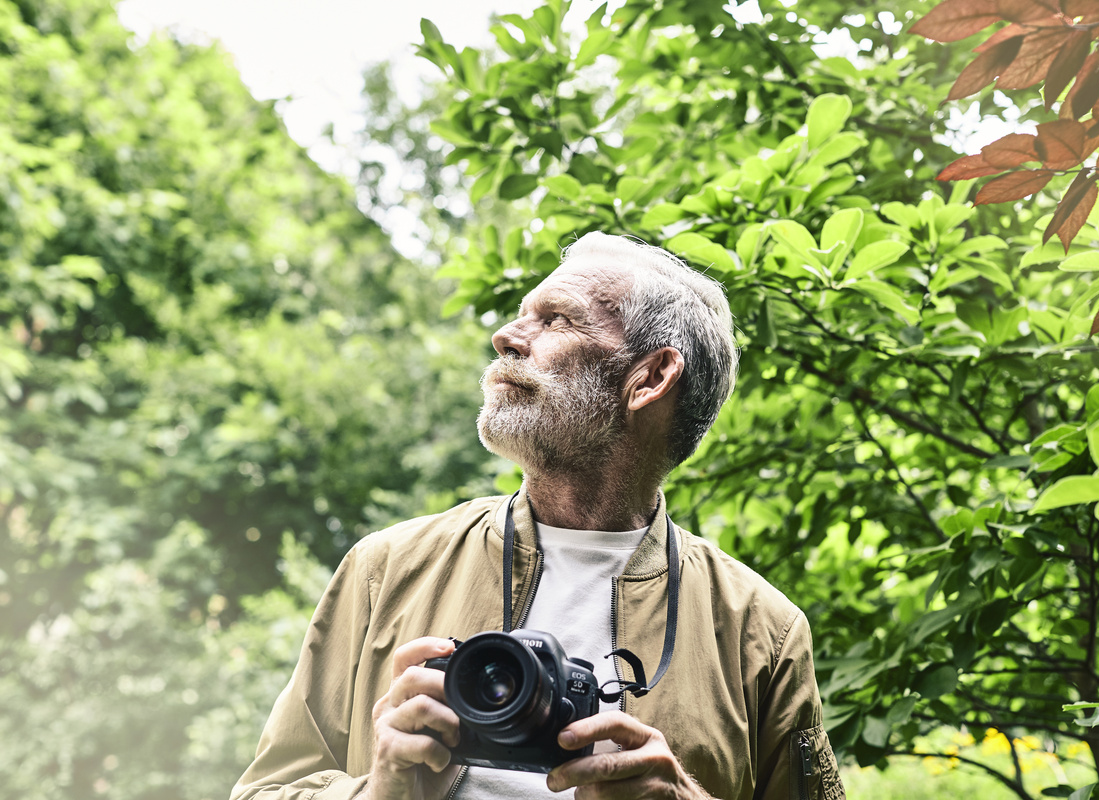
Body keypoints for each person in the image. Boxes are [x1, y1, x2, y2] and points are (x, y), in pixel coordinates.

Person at [231, 232, 844, 800]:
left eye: (556, 319)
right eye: (522, 314)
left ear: (650, 377)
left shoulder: (762, 632)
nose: (506, 336)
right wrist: (380, 790)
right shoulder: (385, 569)